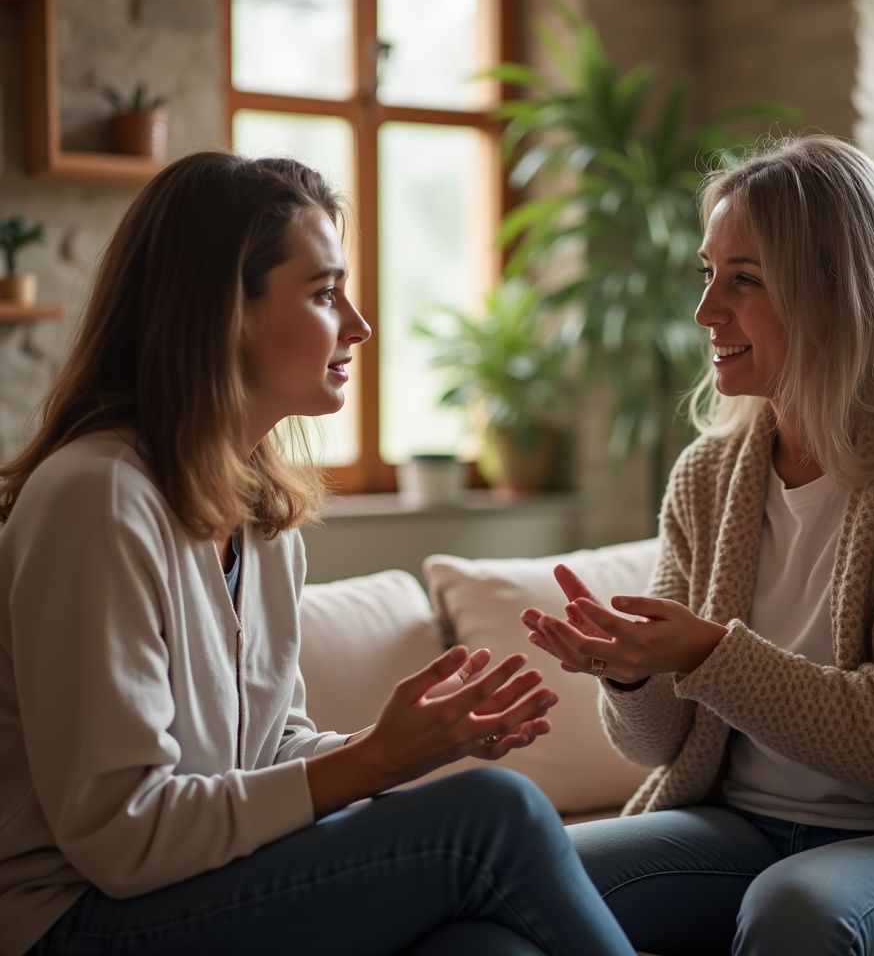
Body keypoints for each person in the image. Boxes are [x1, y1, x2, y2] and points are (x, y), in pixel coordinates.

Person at [0, 152, 637, 956]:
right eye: (325, 292)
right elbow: (124, 840)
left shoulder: (261, 515)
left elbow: (269, 752)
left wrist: (411, 742)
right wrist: (372, 762)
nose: (360, 326)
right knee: (494, 815)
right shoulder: (96, 498)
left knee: (486, 949)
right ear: (221, 311)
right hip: (72, 918)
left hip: (190, 889)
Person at [522, 135, 874, 956]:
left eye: (744, 280)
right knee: (529, 872)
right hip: (737, 826)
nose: (706, 310)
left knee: (798, 908)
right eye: (707, 273)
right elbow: (660, 745)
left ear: (837, 292)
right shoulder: (709, 472)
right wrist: (634, 669)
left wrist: (713, 652)